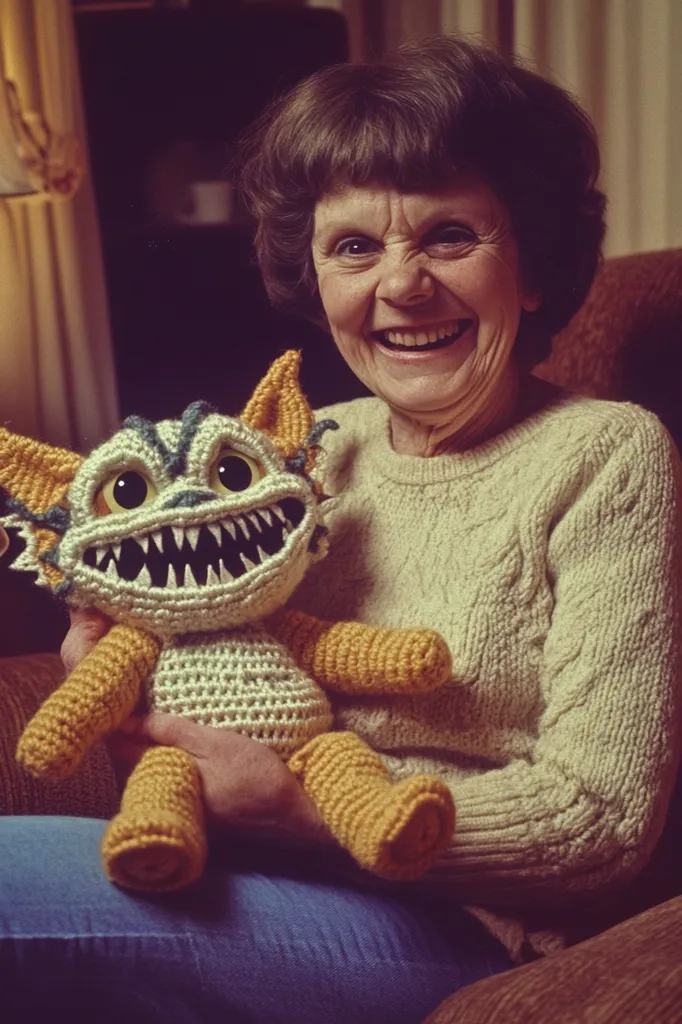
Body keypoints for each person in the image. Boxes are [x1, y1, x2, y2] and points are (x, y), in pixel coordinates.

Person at [1, 34, 680, 1024]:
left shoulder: (608, 455)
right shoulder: (310, 450)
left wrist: (298, 806)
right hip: (246, 868)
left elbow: (601, 820)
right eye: (354, 246)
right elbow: (233, 662)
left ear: (530, 266)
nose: (400, 284)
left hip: (460, 924)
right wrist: (114, 668)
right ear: (314, 282)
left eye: (449, 235)